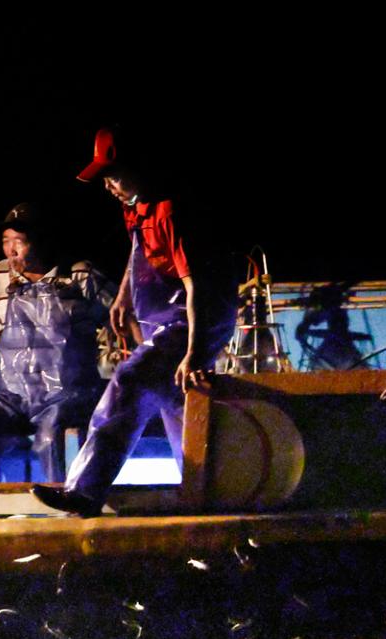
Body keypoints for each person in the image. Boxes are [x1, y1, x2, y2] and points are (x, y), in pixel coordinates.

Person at [32, 128, 239, 517]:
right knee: (172, 399)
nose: (108, 186)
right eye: (105, 180)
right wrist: (126, 294)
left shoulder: (172, 211)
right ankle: (204, 492)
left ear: (140, 168)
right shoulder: (136, 205)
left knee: (130, 380)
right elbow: (138, 249)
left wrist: (194, 353)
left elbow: (198, 289)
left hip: (199, 314)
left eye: (113, 176)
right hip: (170, 313)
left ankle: (84, 492)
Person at [0, 204, 111, 482]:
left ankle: (66, 508)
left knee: (51, 438)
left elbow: (124, 315)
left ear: (42, 241)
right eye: (6, 242)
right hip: (12, 397)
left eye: (20, 243)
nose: (11, 251)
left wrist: (140, 364)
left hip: (66, 397)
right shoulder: (0, 277)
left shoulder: (79, 276)